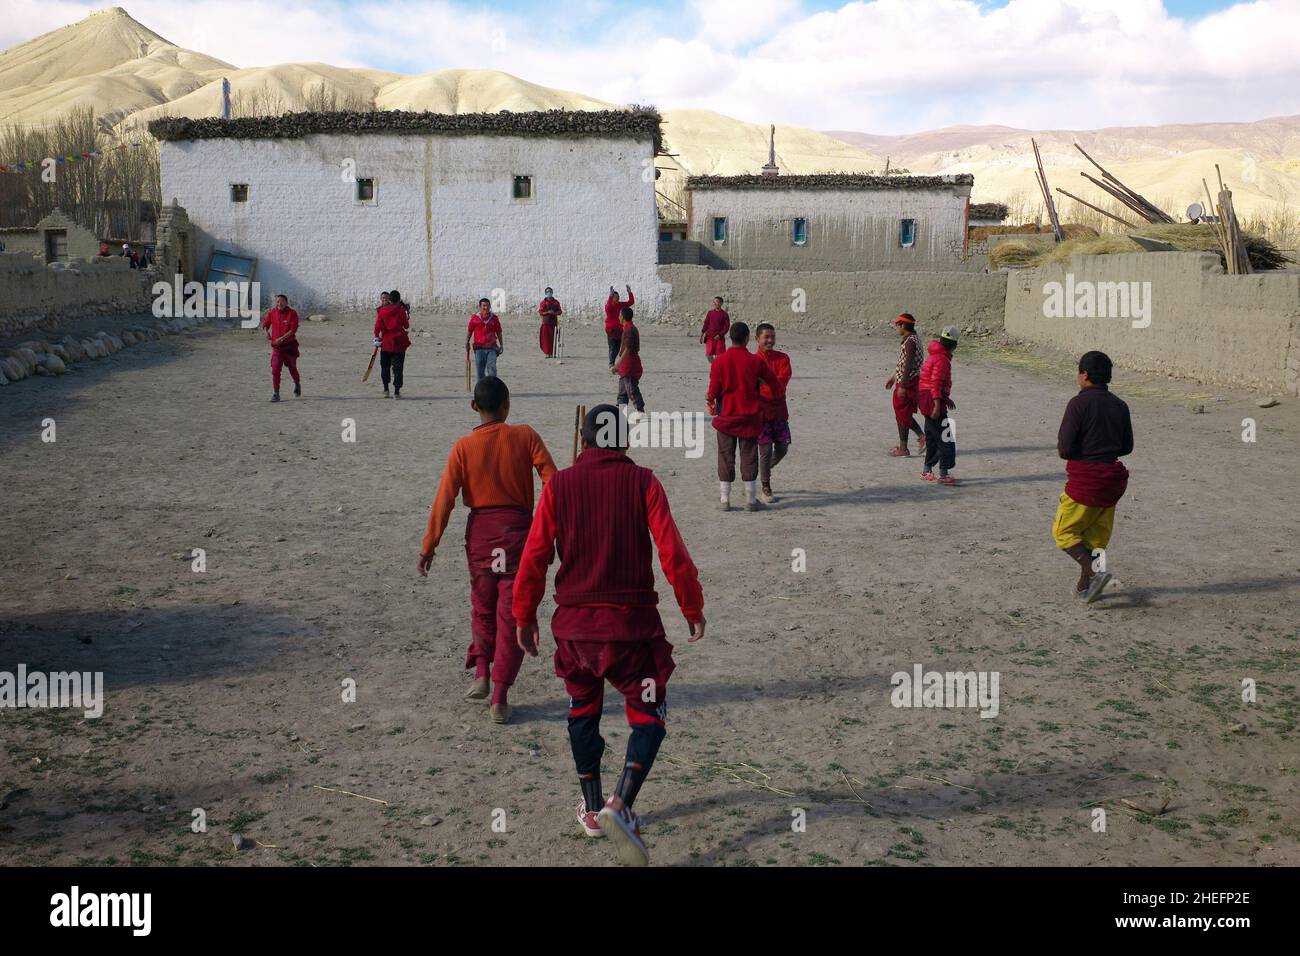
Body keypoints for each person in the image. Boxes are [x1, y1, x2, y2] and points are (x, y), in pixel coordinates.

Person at [513, 404, 705, 866]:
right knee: (648, 713)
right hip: (631, 631)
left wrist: (524, 615)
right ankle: (622, 802)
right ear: (622, 440)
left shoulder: (559, 486)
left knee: (583, 711)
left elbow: (535, 556)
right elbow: (671, 551)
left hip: (576, 633)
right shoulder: (643, 482)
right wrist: (691, 604)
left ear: (583, 440)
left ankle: (594, 809)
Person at [418, 377, 557, 723]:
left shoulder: (463, 447)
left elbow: (445, 499)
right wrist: (549, 524)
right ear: (507, 405)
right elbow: (552, 480)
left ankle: (481, 669)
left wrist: (429, 545)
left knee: (482, 605)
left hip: (480, 536)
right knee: (511, 615)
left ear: (474, 407)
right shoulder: (525, 436)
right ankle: (499, 695)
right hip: (517, 536)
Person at [1053, 351, 1133, 603]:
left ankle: (1097, 575)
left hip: (1086, 482)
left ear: (1084, 375)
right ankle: (1084, 588)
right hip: (1112, 482)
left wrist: (1084, 451)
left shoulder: (1078, 404)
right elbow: (1127, 446)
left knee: (1064, 533)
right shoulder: (1120, 405)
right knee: (1095, 540)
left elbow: (1065, 448)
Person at [707, 322, 781, 512]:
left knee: (725, 456)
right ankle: (750, 499)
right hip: (749, 416)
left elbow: (712, 391)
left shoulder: (719, 361)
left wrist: (711, 403)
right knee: (749, 457)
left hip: (726, 417)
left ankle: (725, 499)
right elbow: (774, 383)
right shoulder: (755, 362)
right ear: (748, 338)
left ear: (731, 337)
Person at [754, 323, 792, 504]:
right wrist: (770, 386)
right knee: (765, 451)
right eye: (766, 337)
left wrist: (764, 384)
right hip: (761, 414)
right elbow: (755, 387)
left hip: (779, 412)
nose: (770, 340)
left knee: (783, 448)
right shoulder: (753, 361)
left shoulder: (783, 358)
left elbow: (781, 384)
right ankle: (765, 486)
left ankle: (764, 470)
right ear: (757, 339)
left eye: (772, 337)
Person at [917, 326, 958, 484]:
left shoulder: (935, 356)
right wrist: (937, 404)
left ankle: (927, 471)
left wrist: (945, 399)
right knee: (945, 437)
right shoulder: (942, 359)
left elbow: (932, 382)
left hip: (927, 398)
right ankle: (943, 473)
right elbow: (935, 383)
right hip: (932, 400)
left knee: (932, 436)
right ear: (954, 345)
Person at [884, 313, 926, 457]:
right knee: (903, 413)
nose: (897, 328)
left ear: (903, 325)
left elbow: (908, 365)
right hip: (907, 381)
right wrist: (894, 377)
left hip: (908, 383)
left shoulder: (910, 342)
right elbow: (904, 364)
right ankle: (921, 437)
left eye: (898, 325)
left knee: (902, 413)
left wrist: (902, 385)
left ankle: (904, 448)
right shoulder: (912, 339)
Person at [261, 293, 301, 402]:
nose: (280, 303)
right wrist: (266, 332)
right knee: (275, 369)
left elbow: (293, 330)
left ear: (286, 302)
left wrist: (282, 338)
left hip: (289, 347)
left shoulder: (292, 313)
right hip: (277, 348)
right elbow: (265, 324)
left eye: (282, 301)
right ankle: (276, 393)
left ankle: (297, 383)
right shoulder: (272, 312)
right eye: (278, 301)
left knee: (292, 368)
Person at [374, 289, 411, 398]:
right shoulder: (400, 311)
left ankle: (386, 389)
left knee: (385, 366)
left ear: (389, 300)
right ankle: (396, 392)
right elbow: (406, 326)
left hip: (386, 342)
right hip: (399, 342)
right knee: (398, 367)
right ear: (399, 300)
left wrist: (376, 337)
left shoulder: (382, 311)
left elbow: (377, 326)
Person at [614, 306, 645, 421]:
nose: (619, 317)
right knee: (622, 391)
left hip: (629, 364)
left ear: (622, 316)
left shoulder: (630, 330)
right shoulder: (629, 328)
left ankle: (640, 410)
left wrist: (617, 364)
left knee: (631, 388)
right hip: (625, 364)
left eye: (619, 315)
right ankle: (621, 413)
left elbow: (627, 349)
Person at [466, 298, 504, 383]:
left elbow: (499, 332)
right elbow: (470, 331)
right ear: (480, 307)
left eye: (487, 305)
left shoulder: (494, 318)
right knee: (480, 369)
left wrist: (501, 345)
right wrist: (467, 342)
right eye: (484, 306)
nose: (486, 308)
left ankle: (492, 387)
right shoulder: (475, 318)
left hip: (492, 348)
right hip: (479, 348)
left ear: (490, 306)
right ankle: (481, 389)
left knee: (492, 368)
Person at [604, 285, 634, 372]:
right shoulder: (609, 306)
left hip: (620, 330)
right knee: (613, 347)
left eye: (618, 297)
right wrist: (610, 296)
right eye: (616, 297)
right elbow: (609, 306)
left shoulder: (620, 305)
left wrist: (629, 292)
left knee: (619, 348)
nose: (617, 299)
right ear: (612, 298)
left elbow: (630, 302)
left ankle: (616, 363)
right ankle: (611, 363)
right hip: (611, 330)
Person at [699, 297, 730, 363]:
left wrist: (720, 335)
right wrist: (702, 333)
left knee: (719, 356)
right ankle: (715, 366)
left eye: (717, 302)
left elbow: (726, 327)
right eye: (714, 302)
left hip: (719, 339)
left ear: (721, 303)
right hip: (709, 337)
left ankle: (717, 367)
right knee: (709, 355)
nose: (715, 303)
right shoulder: (710, 313)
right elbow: (706, 323)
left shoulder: (725, 314)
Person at [538, 287, 562, 358]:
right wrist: (547, 312)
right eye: (548, 292)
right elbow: (540, 311)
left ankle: (553, 352)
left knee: (553, 338)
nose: (549, 293)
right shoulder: (543, 302)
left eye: (550, 292)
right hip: (545, 322)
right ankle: (547, 353)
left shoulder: (556, 302)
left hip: (553, 323)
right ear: (545, 293)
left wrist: (554, 313)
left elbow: (560, 311)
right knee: (546, 339)